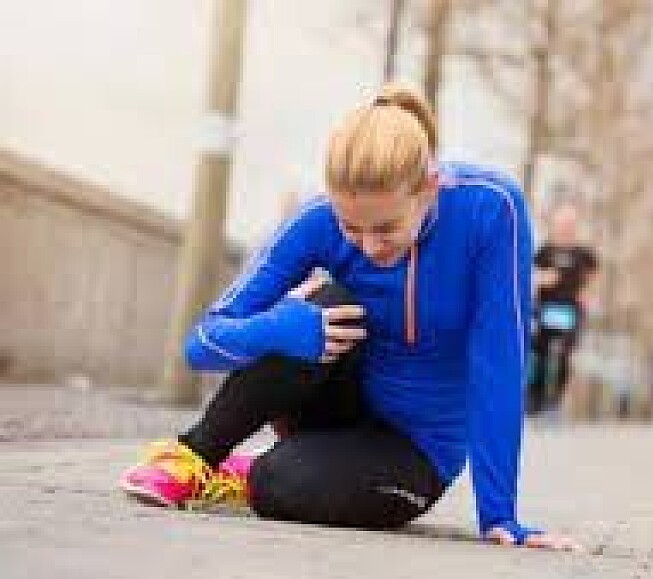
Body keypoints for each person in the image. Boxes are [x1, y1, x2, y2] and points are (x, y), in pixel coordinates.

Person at [119, 84, 576, 550]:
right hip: (337, 401)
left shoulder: (491, 209)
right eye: (351, 228)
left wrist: (500, 514)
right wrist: (280, 327)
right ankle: (192, 460)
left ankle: (254, 472)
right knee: (319, 306)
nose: (369, 246)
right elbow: (201, 344)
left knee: (278, 482)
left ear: (429, 189)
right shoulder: (317, 219)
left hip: (415, 452)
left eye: (386, 229)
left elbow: (498, 361)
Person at [528, 202, 598, 415]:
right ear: (555, 225)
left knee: (565, 355)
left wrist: (588, 292)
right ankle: (535, 400)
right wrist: (542, 278)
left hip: (571, 310)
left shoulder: (583, 253)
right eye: (562, 224)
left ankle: (555, 402)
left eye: (570, 224)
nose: (566, 228)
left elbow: (594, 276)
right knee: (539, 353)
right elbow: (531, 274)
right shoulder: (544, 251)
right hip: (546, 308)